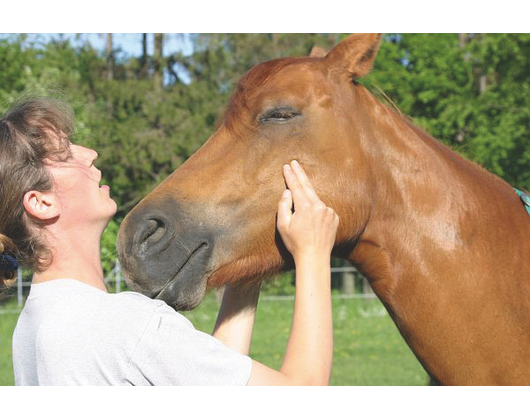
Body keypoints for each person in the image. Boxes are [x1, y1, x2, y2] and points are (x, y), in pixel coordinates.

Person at [2, 97, 339, 386]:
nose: (89, 153)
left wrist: (245, 276)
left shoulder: (37, 323)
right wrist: (313, 252)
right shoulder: (120, 324)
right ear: (41, 203)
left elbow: (207, 374)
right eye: (64, 155)